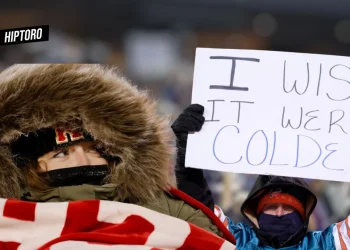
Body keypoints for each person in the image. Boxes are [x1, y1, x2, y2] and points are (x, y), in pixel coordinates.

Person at [0, 64, 234, 243]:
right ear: (33, 166)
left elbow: (214, 240)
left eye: (94, 150)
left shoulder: (158, 206)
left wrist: (191, 180)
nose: (82, 162)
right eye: (62, 154)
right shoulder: (9, 218)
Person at [171, 103, 350, 249]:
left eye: (288, 207)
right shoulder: (237, 241)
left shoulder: (326, 244)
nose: (279, 214)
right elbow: (200, 210)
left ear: (303, 213)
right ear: (256, 212)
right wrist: (187, 152)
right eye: (271, 206)